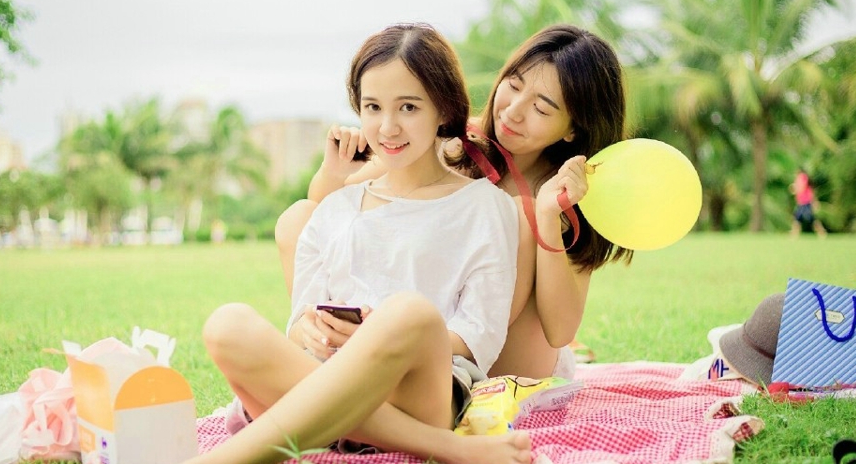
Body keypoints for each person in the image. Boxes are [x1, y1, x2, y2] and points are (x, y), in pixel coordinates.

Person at [187, 23, 537, 464]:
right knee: (227, 325)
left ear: (443, 110)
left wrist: (375, 340)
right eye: (372, 107)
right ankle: (443, 448)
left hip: (423, 387)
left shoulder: (485, 206)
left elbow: (480, 333)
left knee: (408, 313)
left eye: (408, 107)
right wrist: (313, 330)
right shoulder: (338, 208)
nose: (387, 127)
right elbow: (300, 321)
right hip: (326, 373)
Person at [275, 24, 633, 380]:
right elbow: (327, 218)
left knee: (520, 218)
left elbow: (560, 331)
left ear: (573, 128)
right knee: (297, 217)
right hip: (421, 337)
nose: (513, 111)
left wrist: (547, 217)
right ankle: (324, 341)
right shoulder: (452, 142)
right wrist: (333, 172)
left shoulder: (570, 191)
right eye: (513, 85)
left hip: (505, 357)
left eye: (541, 108)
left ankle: (409, 365)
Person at [790, 168, 826, 238]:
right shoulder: (799, 178)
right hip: (801, 203)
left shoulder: (802, 177)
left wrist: (794, 188)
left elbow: (802, 187)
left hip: (806, 202)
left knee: (810, 218)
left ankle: (821, 232)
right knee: (797, 218)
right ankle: (794, 234)